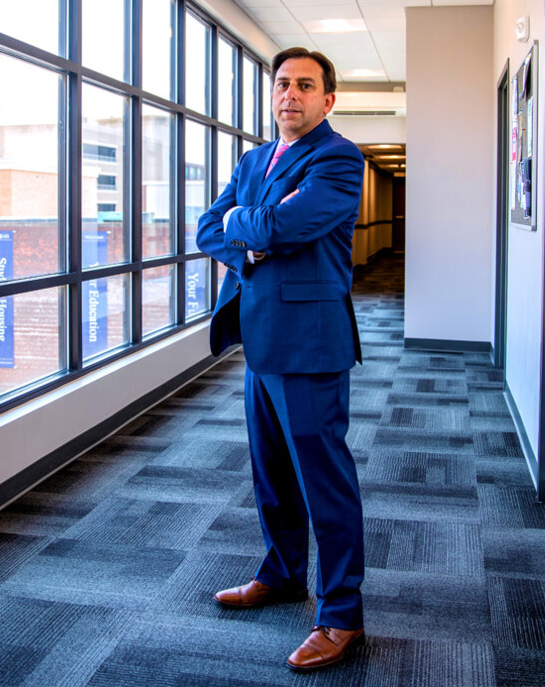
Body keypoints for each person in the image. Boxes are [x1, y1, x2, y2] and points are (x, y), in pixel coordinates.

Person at [196, 47, 366, 671]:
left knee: (325, 482)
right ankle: (284, 573)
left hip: (311, 345)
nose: (290, 94)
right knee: (272, 476)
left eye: (305, 85)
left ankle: (341, 614)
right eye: (282, 84)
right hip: (260, 341)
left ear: (327, 99)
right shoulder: (252, 159)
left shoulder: (339, 159)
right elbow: (208, 228)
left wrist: (250, 227)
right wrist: (249, 238)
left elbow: (277, 229)